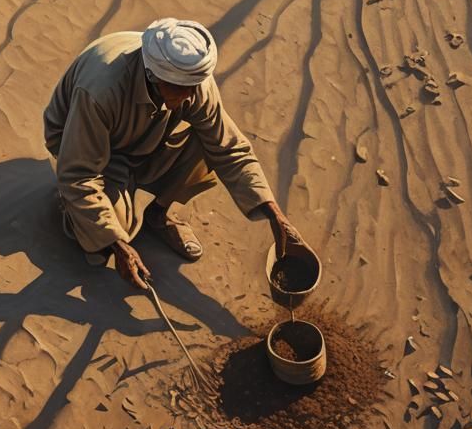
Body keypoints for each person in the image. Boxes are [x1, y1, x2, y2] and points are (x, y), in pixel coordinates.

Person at [43, 17, 305, 291]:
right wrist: (117, 244)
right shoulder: (101, 91)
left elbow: (229, 148)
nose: (191, 96)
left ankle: (158, 215)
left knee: (208, 143)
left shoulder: (192, 81)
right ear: (154, 76)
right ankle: (71, 209)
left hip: (141, 138)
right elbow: (79, 175)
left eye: (194, 86)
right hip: (86, 147)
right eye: (181, 89)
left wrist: (275, 215)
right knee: (105, 240)